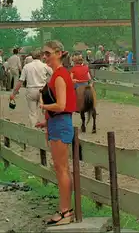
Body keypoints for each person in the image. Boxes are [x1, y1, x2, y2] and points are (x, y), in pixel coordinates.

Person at [36, 40, 77, 226]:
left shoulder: (60, 76)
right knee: (61, 169)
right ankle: (65, 209)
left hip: (60, 124)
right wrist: (47, 120)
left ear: (58, 53)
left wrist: (44, 106)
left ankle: (66, 211)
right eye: (44, 54)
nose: (45, 56)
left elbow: (61, 105)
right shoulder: (57, 75)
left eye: (47, 53)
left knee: (61, 169)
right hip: (57, 123)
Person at [10, 49, 53, 128]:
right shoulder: (45, 66)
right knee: (46, 110)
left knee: (33, 113)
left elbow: (20, 81)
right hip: (43, 90)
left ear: (32, 57)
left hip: (31, 90)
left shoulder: (27, 66)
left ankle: (34, 129)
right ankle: (48, 127)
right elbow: (54, 74)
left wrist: (13, 93)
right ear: (40, 56)